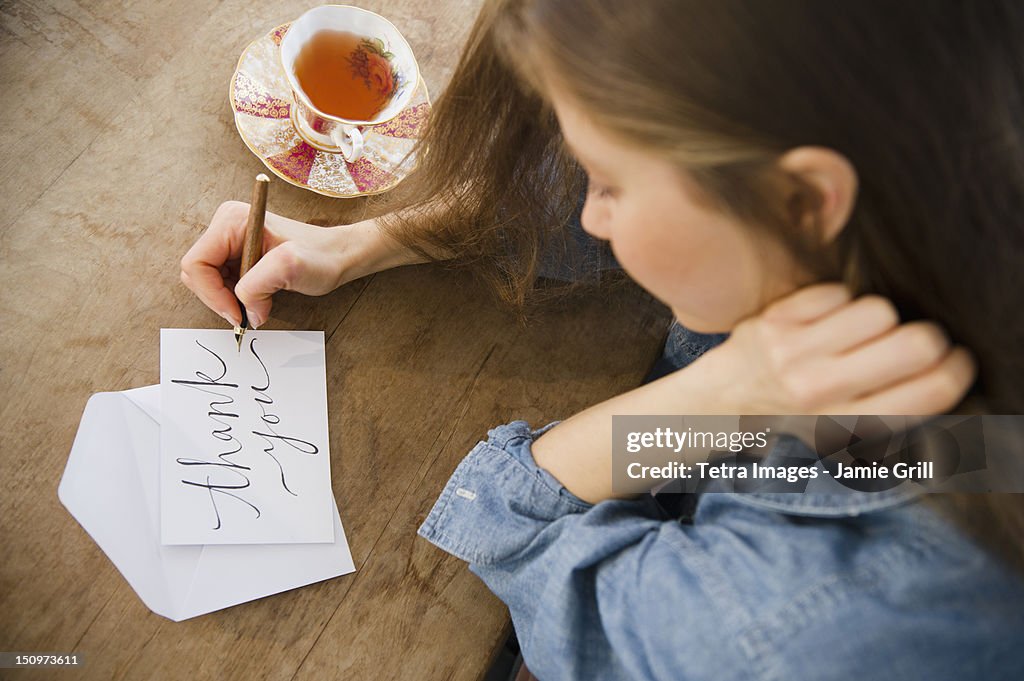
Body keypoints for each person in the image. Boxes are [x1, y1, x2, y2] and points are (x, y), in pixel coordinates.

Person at [181, 1, 1024, 678]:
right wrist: (372, 240)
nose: (590, 213)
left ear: (802, 201)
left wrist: (719, 394)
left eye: (612, 183)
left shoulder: (810, 630)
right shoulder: (952, 154)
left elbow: (523, 532)